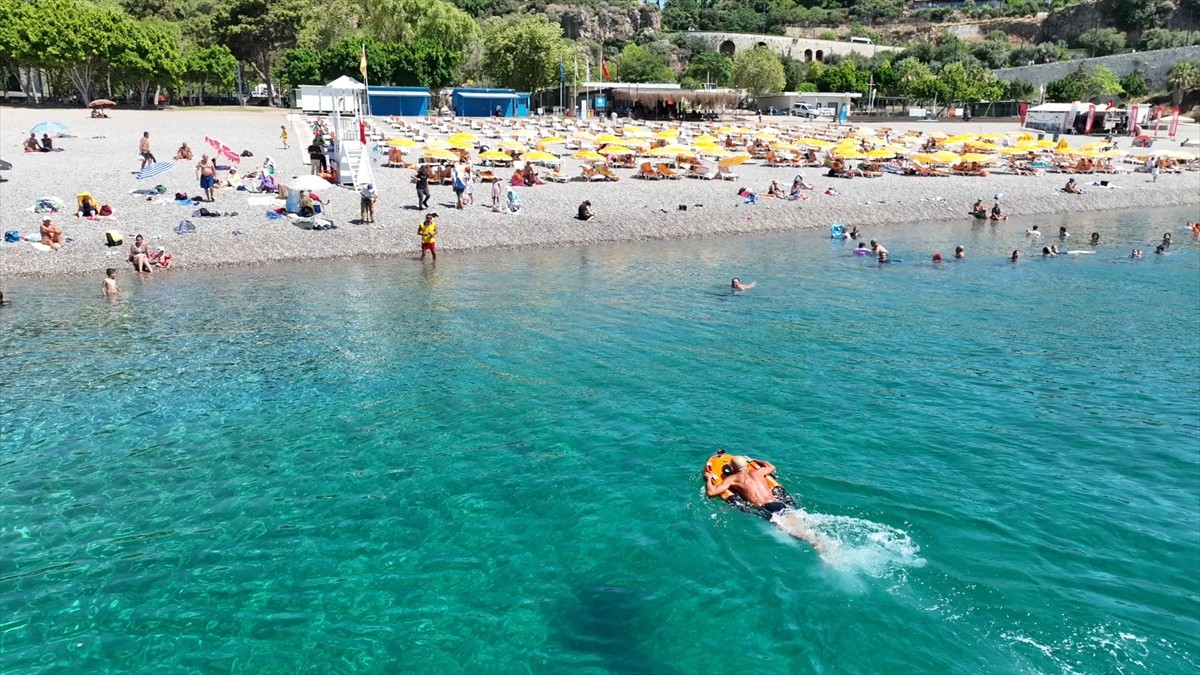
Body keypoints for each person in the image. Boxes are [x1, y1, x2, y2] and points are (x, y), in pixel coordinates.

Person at [704, 455, 824, 552]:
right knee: (798, 523)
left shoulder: (732, 479)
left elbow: (711, 492)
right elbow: (771, 466)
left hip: (765, 507)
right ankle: (819, 542)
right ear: (746, 465)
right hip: (777, 502)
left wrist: (709, 478)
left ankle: (815, 544)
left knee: (789, 530)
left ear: (732, 468)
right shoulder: (758, 472)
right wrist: (754, 460)